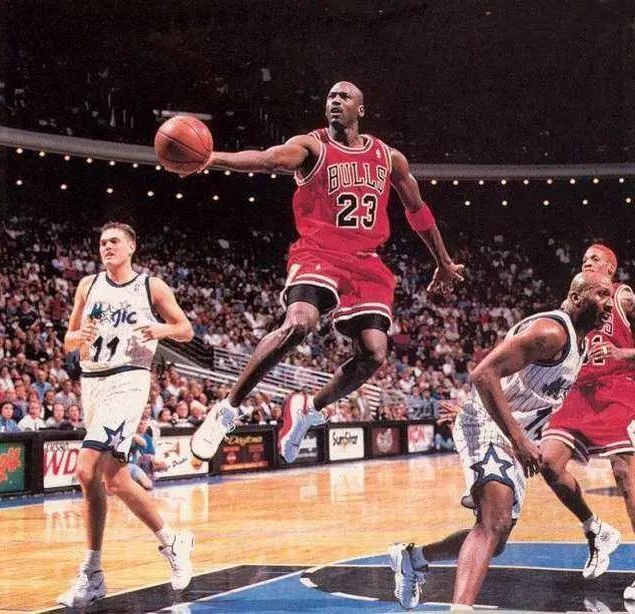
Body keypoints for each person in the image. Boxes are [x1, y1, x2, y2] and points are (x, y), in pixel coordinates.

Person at [188, 81, 464, 462]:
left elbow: (417, 210)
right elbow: (269, 159)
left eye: (343, 96)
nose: (335, 101)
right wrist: (212, 158)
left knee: (374, 353)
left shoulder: (389, 157)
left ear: (360, 109)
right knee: (299, 323)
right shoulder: (312, 146)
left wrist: (443, 261)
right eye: (330, 97)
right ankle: (227, 409)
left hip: (366, 261)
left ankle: (308, 409)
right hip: (319, 251)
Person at [388, 271, 613, 610]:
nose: (608, 305)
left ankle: (413, 558)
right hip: (494, 428)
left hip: (511, 433)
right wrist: (518, 437)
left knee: (498, 537)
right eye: (601, 295)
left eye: (610, 297)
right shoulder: (552, 333)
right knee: (493, 523)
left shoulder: (579, 344)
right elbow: (483, 374)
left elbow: (519, 388)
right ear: (576, 297)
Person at [57, 222, 195, 608]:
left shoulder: (151, 286)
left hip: (129, 380)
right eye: (102, 242)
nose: (107, 247)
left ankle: (91, 571)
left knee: (85, 469)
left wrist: (159, 329)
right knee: (114, 479)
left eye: (114, 242)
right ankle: (172, 541)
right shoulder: (87, 285)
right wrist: (78, 338)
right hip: (93, 383)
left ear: (132, 247)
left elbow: (185, 329)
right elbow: (68, 339)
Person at [541, 244, 635, 596]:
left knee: (625, 474)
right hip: (580, 391)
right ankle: (595, 528)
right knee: (548, 462)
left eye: (595, 259)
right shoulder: (577, 301)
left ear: (611, 268)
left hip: (618, 389)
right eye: (584, 260)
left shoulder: (624, 297)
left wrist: (622, 352)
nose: (587, 262)